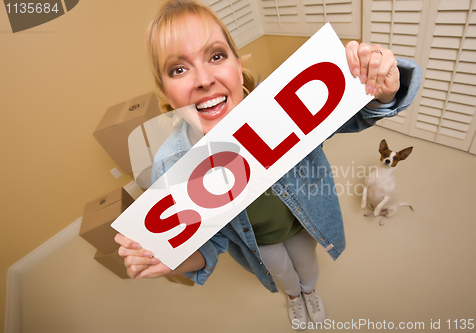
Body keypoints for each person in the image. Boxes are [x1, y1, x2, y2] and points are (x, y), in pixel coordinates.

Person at [114, 0, 422, 329]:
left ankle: (310, 291)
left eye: (216, 55)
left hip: (304, 221)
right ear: (165, 92)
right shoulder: (172, 166)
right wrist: (170, 259)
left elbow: (358, 111)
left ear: (237, 63)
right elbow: (210, 242)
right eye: (178, 68)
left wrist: (381, 87)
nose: (204, 79)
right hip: (259, 242)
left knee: (306, 266)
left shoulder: (282, 106)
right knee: (283, 275)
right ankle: (294, 298)